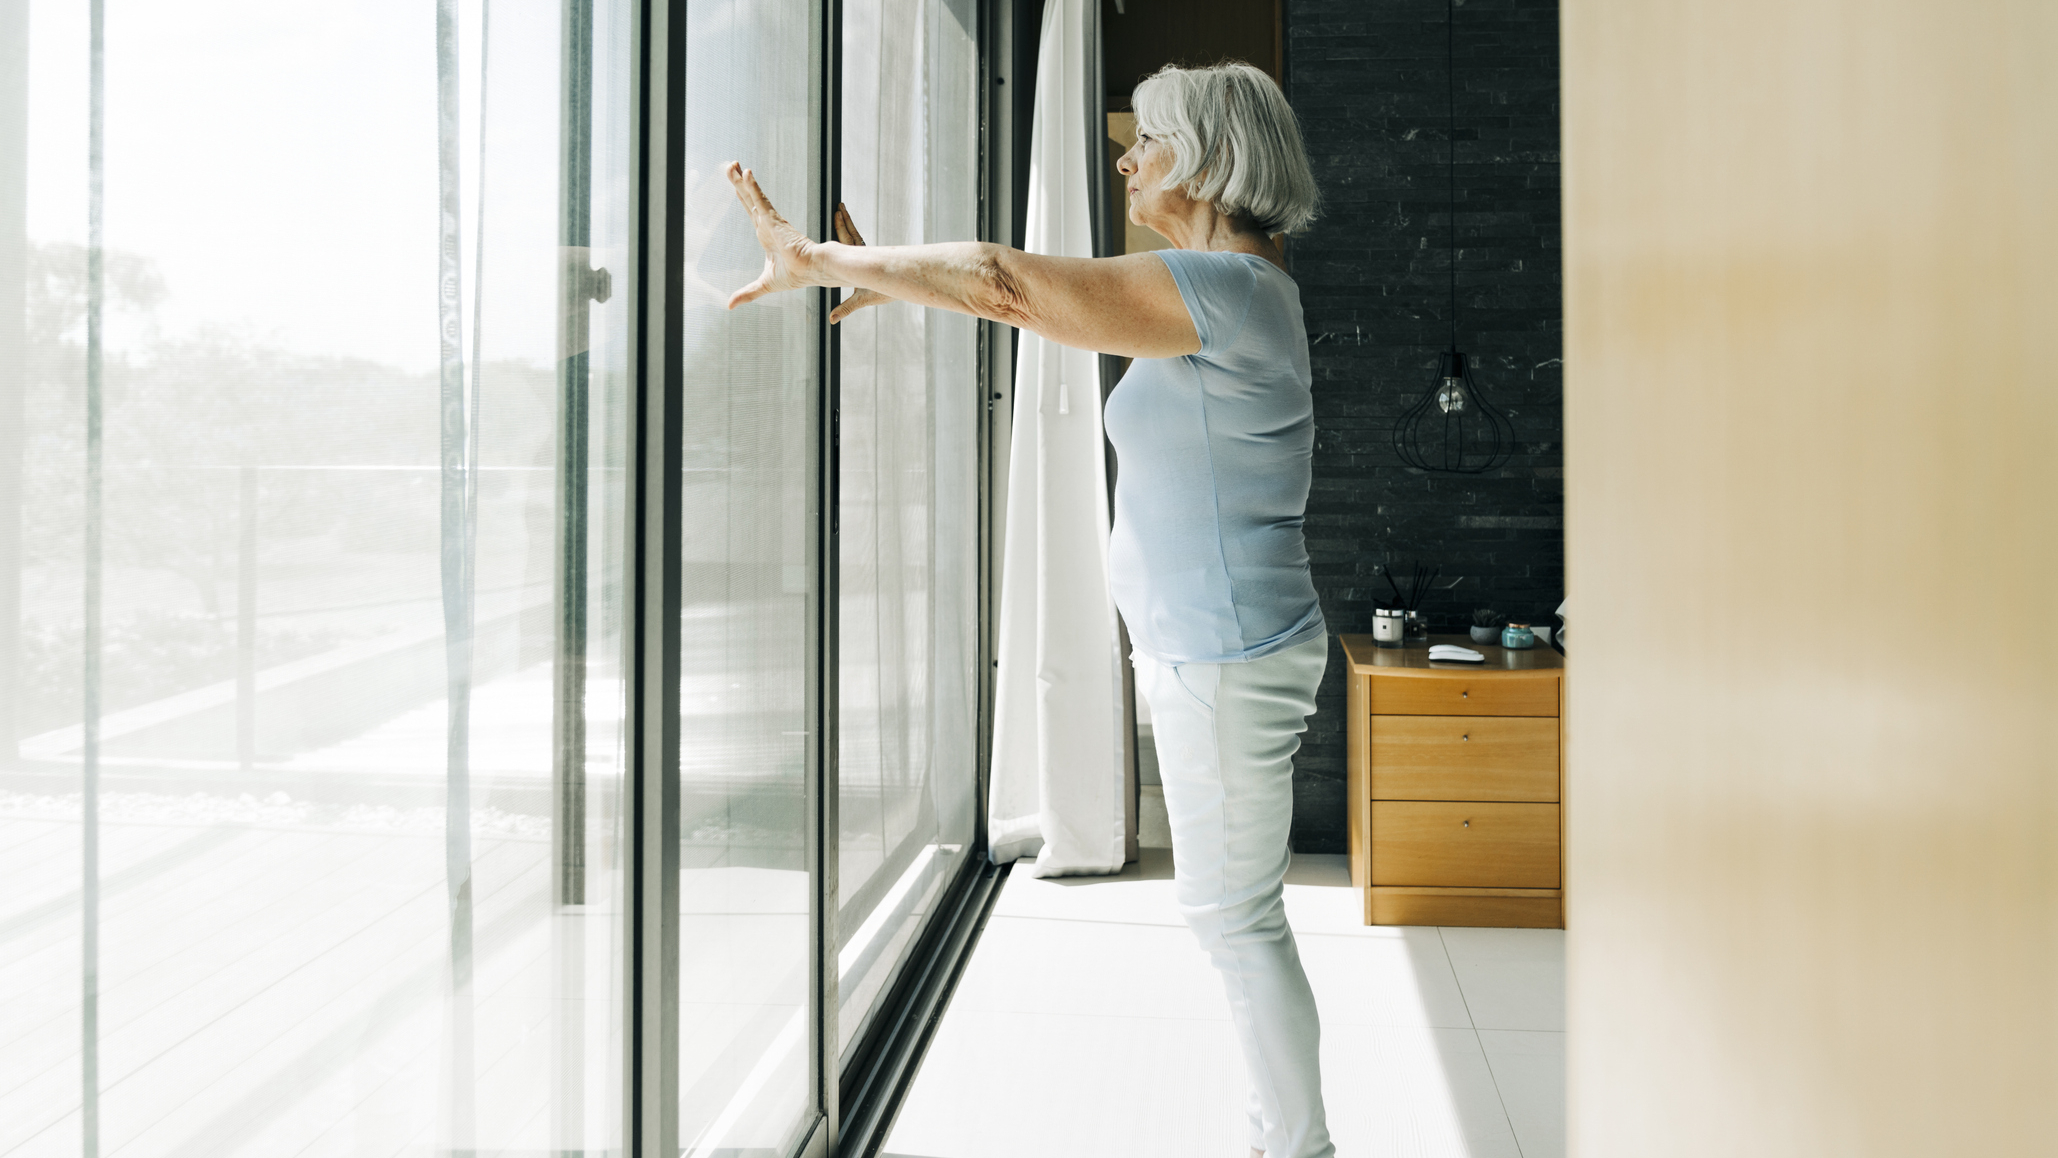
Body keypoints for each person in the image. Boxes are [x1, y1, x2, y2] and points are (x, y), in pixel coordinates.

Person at [724, 60, 1332, 1158]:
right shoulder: (1217, 290)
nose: (1125, 158)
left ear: (1199, 157)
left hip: (1227, 649)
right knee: (1234, 918)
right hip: (1222, 643)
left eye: (1144, 139)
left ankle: (1298, 1147)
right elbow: (1036, 304)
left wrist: (820, 260)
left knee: (1237, 921)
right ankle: (1280, 1136)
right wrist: (898, 280)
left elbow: (1008, 282)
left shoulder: (1224, 288)